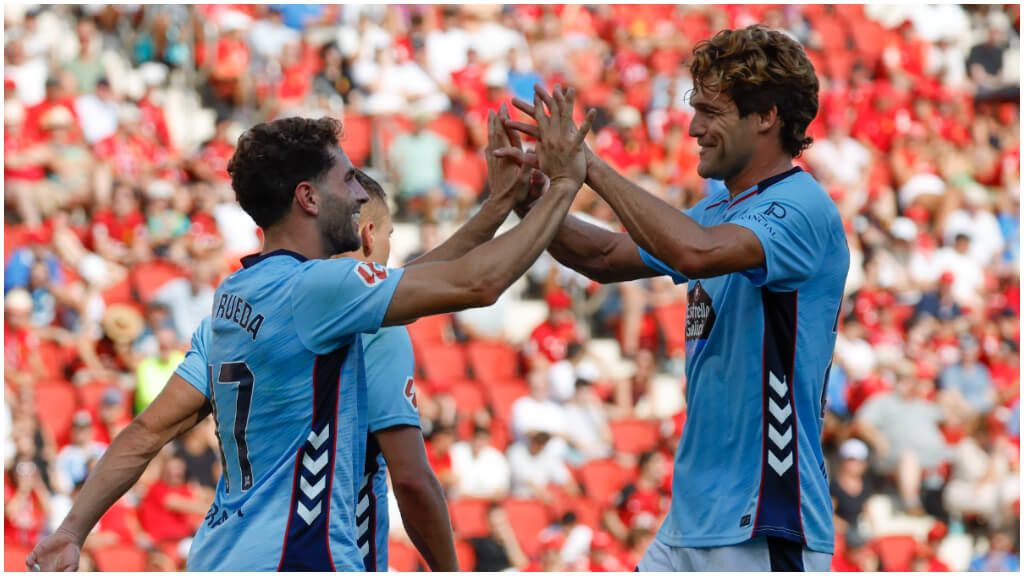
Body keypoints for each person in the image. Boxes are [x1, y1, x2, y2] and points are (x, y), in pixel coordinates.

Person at [28, 103, 594, 571]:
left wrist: (72, 530)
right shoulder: (317, 290)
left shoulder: (232, 300)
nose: (358, 194)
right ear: (308, 198)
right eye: (346, 179)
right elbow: (477, 283)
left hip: (218, 557)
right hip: (299, 557)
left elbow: (146, 431)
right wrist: (565, 184)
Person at [501, 25, 846, 571]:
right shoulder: (718, 212)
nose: (693, 128)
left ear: (766, 116)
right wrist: (531, 200)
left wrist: (590, 167)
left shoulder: (802, 207)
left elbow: (696, 254)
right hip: (691, 520)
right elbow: (604, 257)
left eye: (711, 112)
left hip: (766, 522)